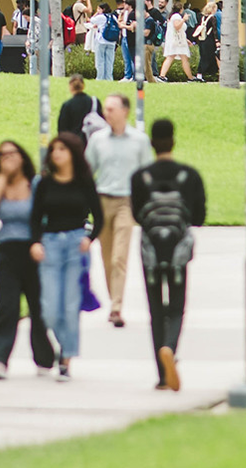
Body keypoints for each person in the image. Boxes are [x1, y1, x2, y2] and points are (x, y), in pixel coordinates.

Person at [131, 118, 205, 391]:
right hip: (177, 251)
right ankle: (170, 349)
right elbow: (198, 217)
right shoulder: (189, 176)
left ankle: (162, 376)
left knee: (155, 309)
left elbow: (137, 214)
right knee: (176, 306)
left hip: (150, 249)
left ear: (151, 142)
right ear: (173, 141)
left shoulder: (140, 177)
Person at [30, 132, 101, 382]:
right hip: (50, 244)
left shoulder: (83, 182)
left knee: (71, 306)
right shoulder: (44, 183)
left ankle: (66, 360)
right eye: (54, 149)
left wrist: (89, 238)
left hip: (75, 245)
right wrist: (36, 242)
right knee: (49, 309)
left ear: (72, 153)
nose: (57, 153)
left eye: (62, 149)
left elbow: (99, 216)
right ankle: (65, 345)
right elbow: (35, 217)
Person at [0, 140, 53, 379]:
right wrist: (3, 175)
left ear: (22, 157)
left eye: (12, 154)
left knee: (38, 307)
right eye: (2, 155)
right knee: (8, 306)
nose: (8, 158)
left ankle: (44, 358)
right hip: (7, 251)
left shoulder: (36, 184)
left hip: (34, 250)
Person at [84, 93, 153, 328]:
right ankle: (114, 298)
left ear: (125, 111)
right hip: (102, 202)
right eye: (106, 109)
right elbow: (87, 171)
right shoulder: (97, 140)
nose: (106, 113)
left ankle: (116, 308)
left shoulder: (139, 141)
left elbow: (147, 175)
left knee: (119, 257)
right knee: (106, 257)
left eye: (111, 109)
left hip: (127, 203)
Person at [159, 3, 193, 82]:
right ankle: (190, 77)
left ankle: (162, 75)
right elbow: (177, 27)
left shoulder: (172, 16)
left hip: (177, 40)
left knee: (173, 57)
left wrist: (186, 40)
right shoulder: (176, 16)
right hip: (177, 42)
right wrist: (184, 19)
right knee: (181, 58)